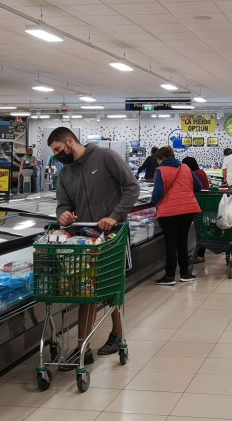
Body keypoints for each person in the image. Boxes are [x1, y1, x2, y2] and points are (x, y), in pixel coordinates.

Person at [48, 127, 140, 361]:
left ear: (70, 142)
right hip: (85, 238)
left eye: (58, 149)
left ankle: (116, 334)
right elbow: (63, 203)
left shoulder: (106, 157)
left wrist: (115, 215)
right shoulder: (66, 173)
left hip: (113, 235)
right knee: (85, 291)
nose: (57, 155)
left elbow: (132, 187)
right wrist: (64, 215)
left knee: (112, 288)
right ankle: (83, 348)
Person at [151, 147, 202, 285]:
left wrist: (153, 203)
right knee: (182, 242)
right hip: (187, 210)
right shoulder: (185, 167)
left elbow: (158, 192)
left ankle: (169, 276)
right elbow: (198, 186)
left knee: (171, 243)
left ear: (162, 158)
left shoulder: (160, 170)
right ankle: (185, 273)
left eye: (158, 159)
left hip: (169, 212)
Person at [182, 156, 209, 264]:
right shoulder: (200, 171)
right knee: (202, 228)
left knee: (201, 229)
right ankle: (198, 253)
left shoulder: (195, 174)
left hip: (199, 203)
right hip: (203, 203)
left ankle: (200, 254)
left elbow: (193, 187)